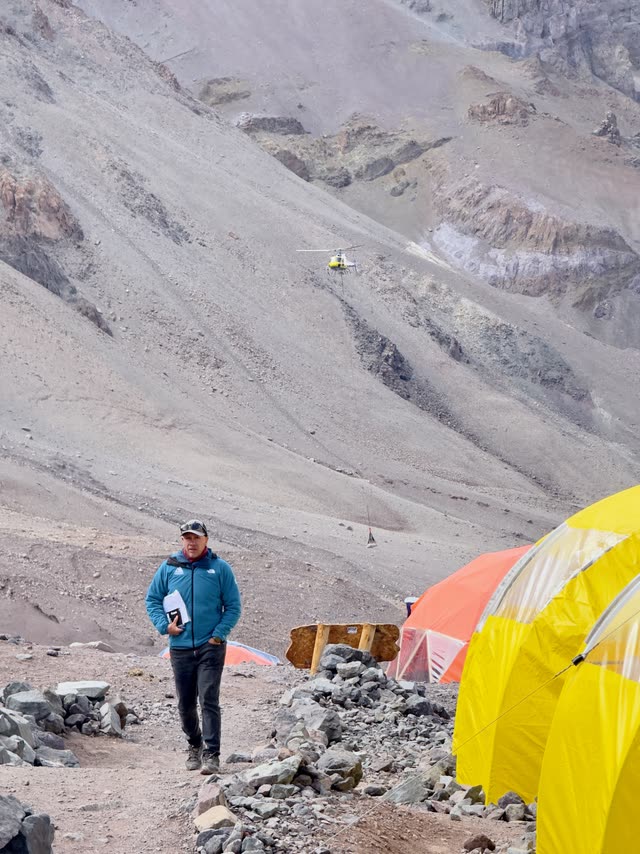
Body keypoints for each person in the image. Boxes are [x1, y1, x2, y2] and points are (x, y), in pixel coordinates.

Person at [145, 519, 242, 774]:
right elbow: (152, 600)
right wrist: (164, 627)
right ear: (182, 541)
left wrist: (219, 635)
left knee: (209, 698)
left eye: (196, 537)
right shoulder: (169, 568)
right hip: (180, 647)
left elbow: (233, 606)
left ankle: (212, 754)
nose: (191, 542)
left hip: (210, 645)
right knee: (185, 703)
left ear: (206, 540)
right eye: (187, 538)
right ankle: (194, 743)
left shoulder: (220, 569)